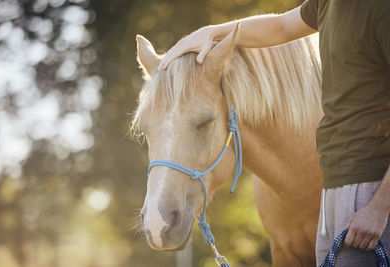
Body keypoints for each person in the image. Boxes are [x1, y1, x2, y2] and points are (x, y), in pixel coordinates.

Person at [157, 0, 390, 266]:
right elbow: (280, 26)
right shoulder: (327, 3)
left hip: (371, 179)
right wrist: (210, 32)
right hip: (335, 181)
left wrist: (380, 208)